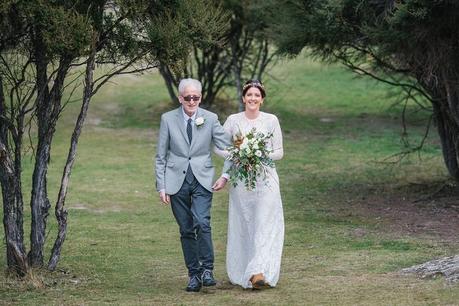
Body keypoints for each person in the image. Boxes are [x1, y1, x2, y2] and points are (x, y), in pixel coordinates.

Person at [155, 78, 231, 292]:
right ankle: (194, 275)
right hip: (175, 181)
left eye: (195, 97)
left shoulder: (210, 118)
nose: (191, 101)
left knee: (202, 222)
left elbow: (229, 148)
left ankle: (208, 270)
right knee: (186, 229)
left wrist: (226, 174)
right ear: (180, 98)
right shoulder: (167, 119)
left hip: (203, 179)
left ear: (200, 97)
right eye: (187, 97)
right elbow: (161, 155)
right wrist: (161, 186)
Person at [215, 79, 285, 289]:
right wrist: (237, 154)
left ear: (262, 100)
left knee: (264, 223)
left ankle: (258, 273)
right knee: (246, 223)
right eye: (249, 95)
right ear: (243, 98)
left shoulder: (271, 120)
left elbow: (279, 152)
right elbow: (219, 147)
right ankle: (245, 269)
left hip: (266, 179)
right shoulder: (233, 120)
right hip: (242, 182)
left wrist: (258, 153)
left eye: (257, 95)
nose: (253, 98)